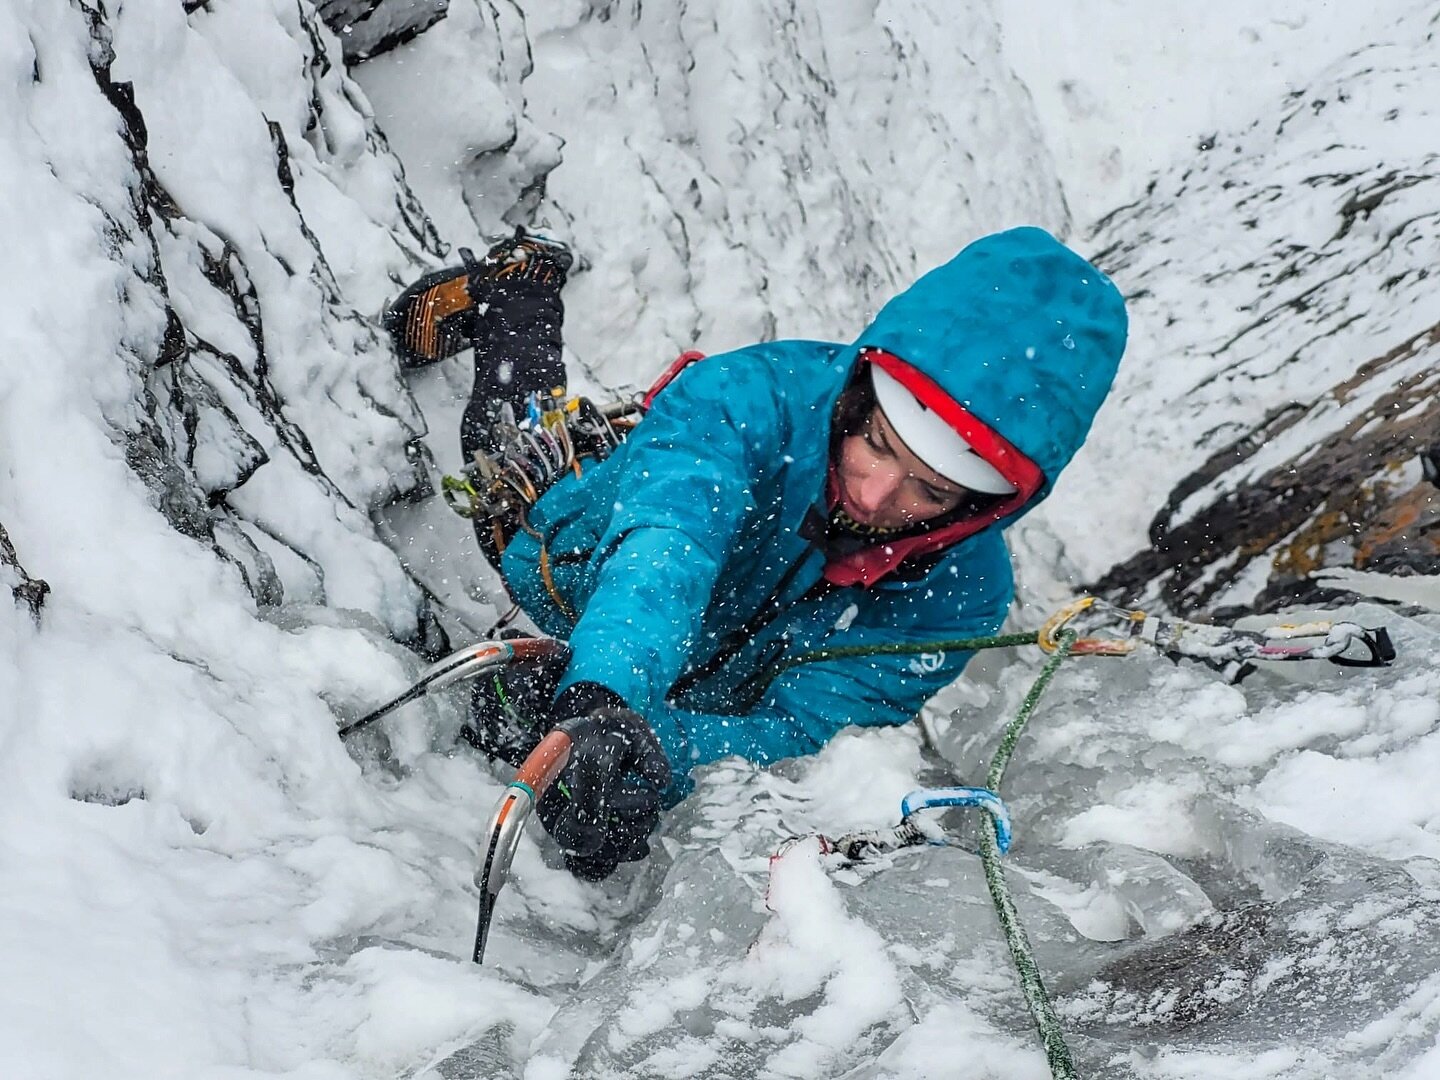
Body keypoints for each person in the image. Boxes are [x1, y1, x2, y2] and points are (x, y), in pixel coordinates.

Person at [438, 225, 1127, 879]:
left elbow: (802, 727)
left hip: (683, 678)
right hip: (569, 564)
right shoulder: (744, 399)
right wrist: (603, 690)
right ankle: (519, 289)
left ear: (985, 509)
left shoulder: (961, 595)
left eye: (932, 489)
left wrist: (651, 753)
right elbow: (665, 550)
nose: (878, 493)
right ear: (856, 395)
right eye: (877, 443)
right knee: (510, 438)